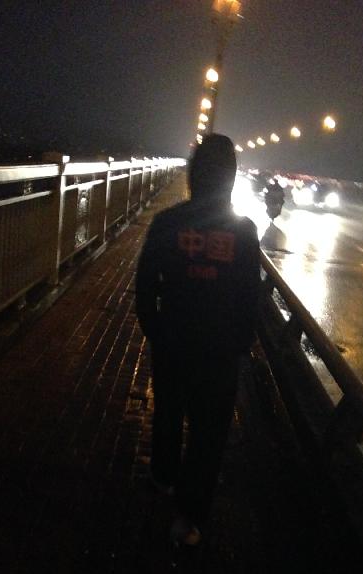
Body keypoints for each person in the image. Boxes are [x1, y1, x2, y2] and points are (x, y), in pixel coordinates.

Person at [135, 134, 261, 546]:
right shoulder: (244, 232)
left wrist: (156, 331)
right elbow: (251, 296)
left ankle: (163, 476)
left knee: (168, 416)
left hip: (173, 344)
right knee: (209, 436)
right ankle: (189, 518)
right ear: (230, 177)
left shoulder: (167, 223)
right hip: (219, 354)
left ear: (193, 173)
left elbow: (144, 286)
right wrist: (239, 344)